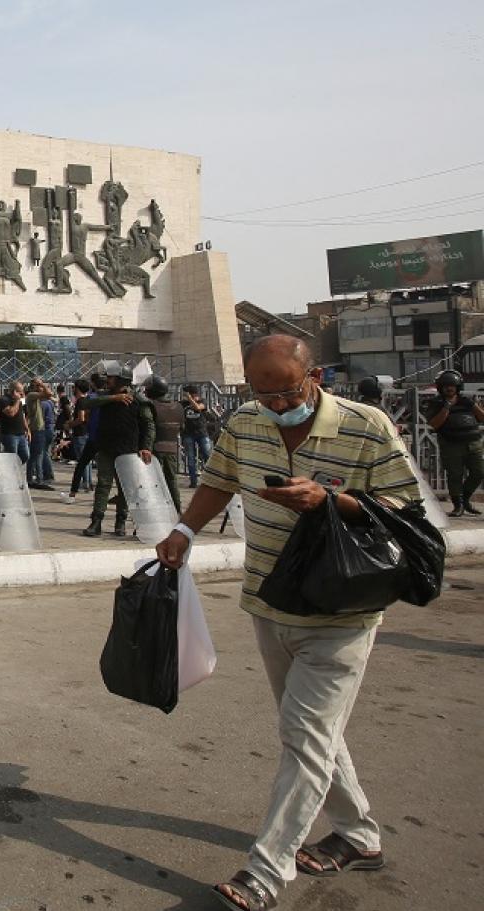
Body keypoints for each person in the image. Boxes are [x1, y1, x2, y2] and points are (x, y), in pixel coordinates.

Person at [155, 335, 420, 911]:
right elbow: (219, 480)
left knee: (304, 736)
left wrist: (331, 501)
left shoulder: (367, 425)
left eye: (288, 393)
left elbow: (406, 507)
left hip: (342, 609)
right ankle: (358, 835)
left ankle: (265, 872)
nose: (277, 405)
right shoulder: (244, 423)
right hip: (270, 603)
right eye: (264, 393)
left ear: (314, 376)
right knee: (312, 732)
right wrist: (184, 529)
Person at [75, 363, 154, 538]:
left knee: (125, 487)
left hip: (128, 449)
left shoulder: (138, 399)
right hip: (106, 447)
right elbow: (84, 403)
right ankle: (96, 521)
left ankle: (121, 522)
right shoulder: (105, 396)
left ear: (121, 380)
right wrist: (113, 398)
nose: (108, 380)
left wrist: (146, 447)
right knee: (103, 484)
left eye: (111, 378)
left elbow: (148, 425)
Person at [425, 369, 482, 516]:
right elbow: (434, 424)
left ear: (458, 387)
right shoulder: (436, 403)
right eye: (446, 386)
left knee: (479, 471)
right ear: (440, 388)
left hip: (473, 443)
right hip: (451, 444)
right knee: (455, 475)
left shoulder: (466, 401)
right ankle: (458, 505)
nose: (449, 388)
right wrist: (447, 407)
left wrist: (473, 405)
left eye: (452, 385)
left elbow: (482, 417)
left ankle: (465, 498)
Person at [139, 375, 184, 511]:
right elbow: (182, 427)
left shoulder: (150, 406)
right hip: (172, 448)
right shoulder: (178, 406)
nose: (145, 391)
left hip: (153, 449)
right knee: (172, 480)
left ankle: (155, 511)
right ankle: (177, 509)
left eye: (147, 389)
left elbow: (147, 429)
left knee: (152, 480)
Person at [181, 384, 212, 488]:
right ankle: (193, 481)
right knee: (190, 459)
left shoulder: (202, 401)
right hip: (188, 434)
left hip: (201, 433)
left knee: (208, 456)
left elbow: (198, 408)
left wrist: (190, 399)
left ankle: (210, 480)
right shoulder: (183, 404)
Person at [0, 381, 31, 469]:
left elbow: (21, 415)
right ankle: (10, 471)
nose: (22, 394)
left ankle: (13, 469)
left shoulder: (19, 401)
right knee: (12, 457)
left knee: (25, 455)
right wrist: (17, 400)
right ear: (14, 391)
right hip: (9, 434)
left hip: (21, 433)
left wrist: (27, 429)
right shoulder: (4, 400)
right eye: (20, 392)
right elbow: (11, 413)